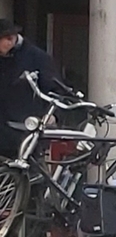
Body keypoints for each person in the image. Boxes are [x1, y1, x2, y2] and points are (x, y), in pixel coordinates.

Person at [0, 18, 75, 163]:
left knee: (30, 177)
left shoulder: (36, 58)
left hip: (25, 130)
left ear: (10, 39)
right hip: (3, 126)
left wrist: (53, 116)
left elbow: (55, 89)